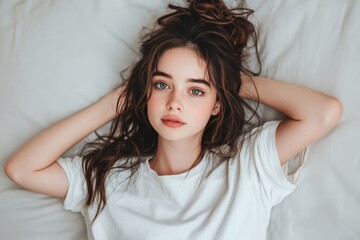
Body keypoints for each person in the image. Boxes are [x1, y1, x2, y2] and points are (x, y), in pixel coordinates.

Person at [4, 0, 343, 239]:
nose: (175, 103)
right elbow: (22, 169)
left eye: (196, 91)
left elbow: (323, 112)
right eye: (162, 84)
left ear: (217, 104)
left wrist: (229, 81)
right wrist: (112, 104)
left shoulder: (247, 165)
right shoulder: (108, 179)